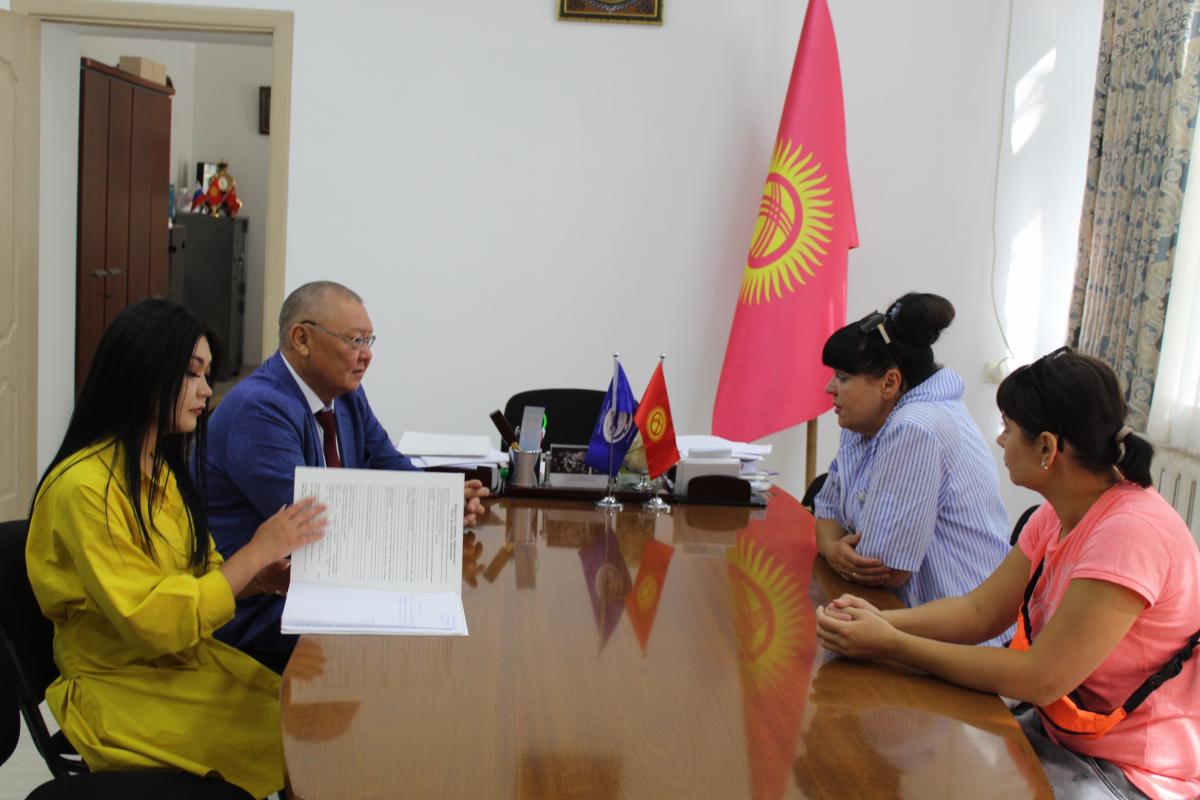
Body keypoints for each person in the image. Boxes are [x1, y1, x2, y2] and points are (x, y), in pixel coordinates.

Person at [816, 349, 1200, 799]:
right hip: (1062, 735)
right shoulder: (1057, 514)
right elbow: (980, 611)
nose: (1000, 441)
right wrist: (881, 622)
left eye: (1009, 429)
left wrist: (892, 644)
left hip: (1131, 771)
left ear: (1047, 448)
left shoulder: (1129, 533)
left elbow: (1040, 678)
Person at [26, 300, 328, 799]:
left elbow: (198, 575)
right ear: (143, 375)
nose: (206, 390)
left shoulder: (158, 469)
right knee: (307, 743)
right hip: (125, 689)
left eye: (207, 374)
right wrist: (254, 553)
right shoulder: (84, 488)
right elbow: (154, 624)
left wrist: (259, 578)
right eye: (192, 374)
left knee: (316, 722)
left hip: (183, 665)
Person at [206, 281, 487, 671]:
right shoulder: (260, 409)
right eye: (355, 340)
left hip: (321, 585)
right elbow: (317, 529)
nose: (367, 354)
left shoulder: (347, 396)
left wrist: (444, 502)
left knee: (452, 626)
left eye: (369, 340)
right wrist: (425, 518)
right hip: (261, 605)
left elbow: (391, 465)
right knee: (406, 652)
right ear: (302, 339)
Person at [812, 292, 1011, 620]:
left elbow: (884, 567)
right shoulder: (864, 420)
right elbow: (826, 510)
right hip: (897, 614)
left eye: (843, 378)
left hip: (955, 631)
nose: (829, 388)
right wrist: (834, 549)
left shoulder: (915, 427)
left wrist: (834, 547)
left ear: (890, 382)